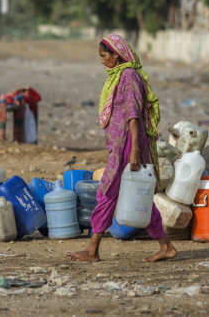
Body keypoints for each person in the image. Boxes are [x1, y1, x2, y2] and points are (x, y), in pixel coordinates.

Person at [65, 34, 177, 263]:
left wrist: (134, 149)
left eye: (104, 56)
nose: (102, 61)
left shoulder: (129, 76)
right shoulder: (120, 76)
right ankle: (166, 246)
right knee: (140, 198)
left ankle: (92, 249)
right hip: (122, 146)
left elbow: (133, 114)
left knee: (106, 194)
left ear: (117, 54)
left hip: (128, 145)